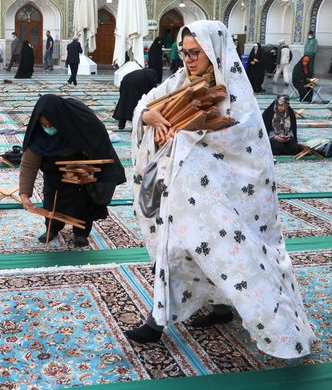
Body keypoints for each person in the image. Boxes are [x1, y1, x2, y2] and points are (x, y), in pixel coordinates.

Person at [126, 20, 315, 359]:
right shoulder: (181, 82)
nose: (189, 59)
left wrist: (183, 137)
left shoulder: (238, 98)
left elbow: (240, 150)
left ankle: (265, 324)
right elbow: (145, 103)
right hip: (185, 198)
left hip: (227, 203)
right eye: (184, 53)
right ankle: (159, 318)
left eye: (195, 53)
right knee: (173, 250)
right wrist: (148, 117)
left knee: (236, 259)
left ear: (214, 51)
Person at [19, 94, 126, 247]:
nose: (48, 128)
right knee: (51, 201)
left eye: (52, 124)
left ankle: (81, 233)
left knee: (83, 203)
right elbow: (28, 165)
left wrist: (88, 167)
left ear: (60, 120)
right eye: (45, 125)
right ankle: (52, 228)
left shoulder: (78, 123)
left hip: (81, 170)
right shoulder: (38, 134)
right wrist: (24, 194)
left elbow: (98, 140)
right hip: (54, 173)